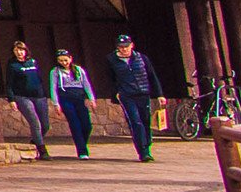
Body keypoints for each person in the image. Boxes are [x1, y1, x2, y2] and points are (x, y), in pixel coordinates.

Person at [106, 33, 162, 162]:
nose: (124, 49)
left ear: (131, 45)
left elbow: (152, 76)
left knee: (145, 121)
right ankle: (143, 152)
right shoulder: (111, 59)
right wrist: (116, 93)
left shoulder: (142, 58)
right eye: (121, 47)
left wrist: (159, 94)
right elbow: (110, 78)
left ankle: (147, 145)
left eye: (126, 46)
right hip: (126, 95)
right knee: (135, 121)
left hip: (143, 93)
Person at [3, 39, 51, 159]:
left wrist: (45, 93)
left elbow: (39, 78)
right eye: (16, 50)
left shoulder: (33, 62)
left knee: (45, 125)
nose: (19, 52)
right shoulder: (12, 65)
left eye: (21, 50)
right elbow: (9, 83)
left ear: (26, 51)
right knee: (35, 123)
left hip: (39, 96)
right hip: (22, 97)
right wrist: (11, 99)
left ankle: (35, 142)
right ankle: (42, 150)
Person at [49, 48, 95, 159]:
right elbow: (53, 88)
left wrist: (91, 98)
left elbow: (86, 84)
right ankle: (82, 151)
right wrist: (56, 103)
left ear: (70, 58)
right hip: (65, 98)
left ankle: (82, 142)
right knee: (75, 124)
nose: (64, 63)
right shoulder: (55, 71)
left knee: (86, 125)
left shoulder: (79, 70)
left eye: (65, 60)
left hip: (79, 98)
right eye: (60, 61)